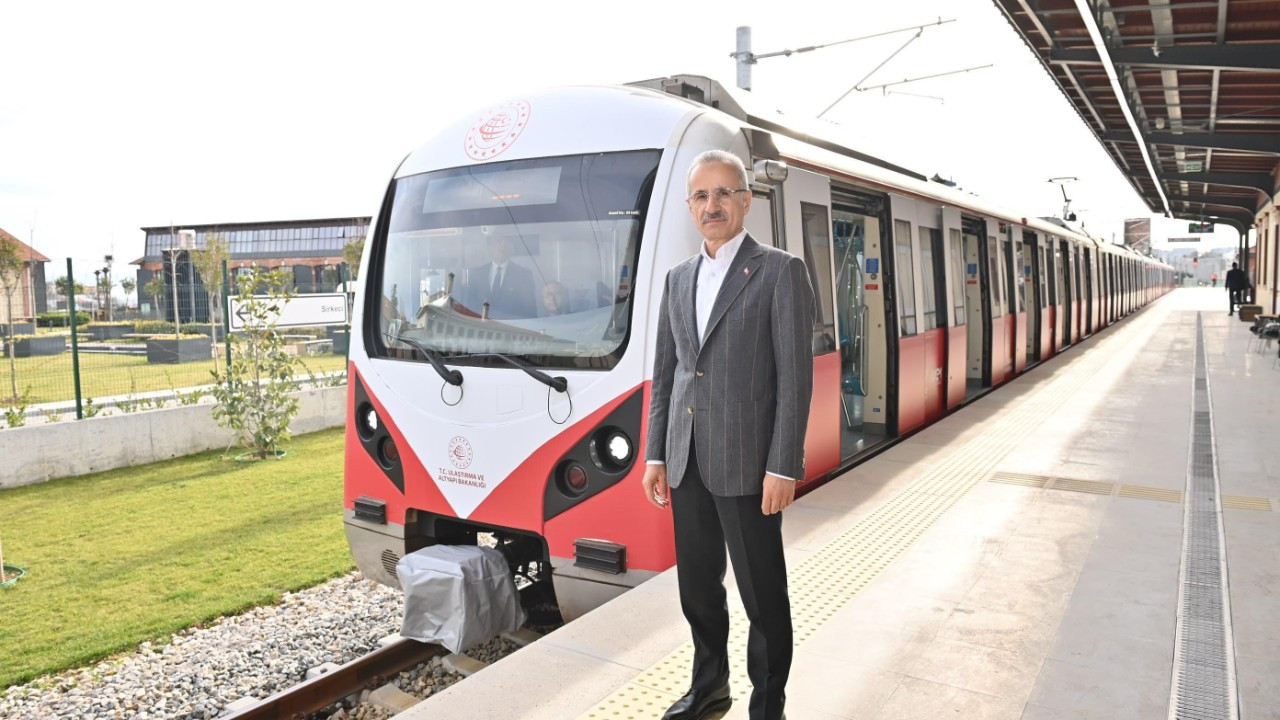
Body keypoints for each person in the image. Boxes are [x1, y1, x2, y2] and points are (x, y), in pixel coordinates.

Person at [643, 149, 815, 720]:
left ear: (746, 200)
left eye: (723, 193)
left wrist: (783, 463)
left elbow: (795, 377)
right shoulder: (677, 279)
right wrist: (655, 454)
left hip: (749, 465)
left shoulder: (779, 271)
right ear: (690, 206)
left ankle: (768, 706)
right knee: (698, 590)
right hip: (687, 460)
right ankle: (709, 687)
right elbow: (667, 374)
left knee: (763, 596)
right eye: (701, 195)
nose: (711, 205)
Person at [462, 236, 536, 320]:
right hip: (481, 328)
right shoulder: (477, 273)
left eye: (505, 243)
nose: (502, 247)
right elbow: (468, 307)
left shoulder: (524, 275)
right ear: (489, 248)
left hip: (513, 329)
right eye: (498, 242)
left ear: (511, 248)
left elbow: (530, 311)